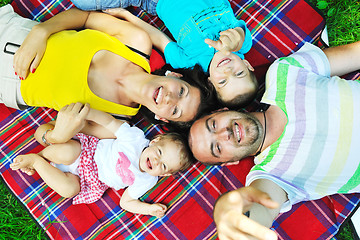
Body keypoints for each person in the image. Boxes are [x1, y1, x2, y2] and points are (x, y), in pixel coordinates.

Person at [188, 41, 360, 239]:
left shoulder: (283, 73)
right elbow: (259, 209)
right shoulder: (271, 175)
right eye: (217, 147)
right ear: (230, 161)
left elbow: (353, 54)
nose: (223, 134)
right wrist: (233, 214)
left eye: (214, 125)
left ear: (223, 111)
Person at [0, 4, 217, 124]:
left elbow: (54, 129)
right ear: (175, 76)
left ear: (162, 118)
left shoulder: (117, 120)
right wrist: (41, 31)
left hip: (9, 86)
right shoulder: (137, 41)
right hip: (18, 34)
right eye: (181, 92)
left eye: (175, 111)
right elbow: (84, 18)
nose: (170, 99)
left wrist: (56, 136)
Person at [10, 102, 194, 217]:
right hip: (85, 152)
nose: (155, 161)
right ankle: (44, 154)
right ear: (155, 141)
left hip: (89, 180)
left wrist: (149, 209)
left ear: (167, 174)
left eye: (163, 165)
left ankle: (36, 162)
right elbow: (110, 124)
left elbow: (126, 202)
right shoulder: (136, 139)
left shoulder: (147, 180)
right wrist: (88, 113)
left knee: (69, 190)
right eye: (159, 153)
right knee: (67, 153)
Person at [71, 0, 258, 107]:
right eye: (239, 72)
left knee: (85, 2)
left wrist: (126, 15)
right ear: (247, 65)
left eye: (223, 81)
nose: (227, 70)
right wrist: (234, 40)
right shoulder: (241, 46)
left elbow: (159, 39)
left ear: (210, 82)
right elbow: (240, 34)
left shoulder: (190, 63)